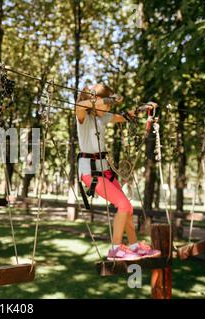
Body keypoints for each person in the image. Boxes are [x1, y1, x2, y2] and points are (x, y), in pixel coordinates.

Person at [76, 83, 161, 261]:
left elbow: (124, 117)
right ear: (95, 101)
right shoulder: (83, 118)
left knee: (127, 207)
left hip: (104, 171)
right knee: (123, 205)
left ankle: (135, 246)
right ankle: (115, 249)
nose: (108, 108)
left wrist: (142, 108)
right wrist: (105, 100)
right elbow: (81, 106)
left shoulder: (102, 117)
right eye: (106, 104)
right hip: (89, 173)